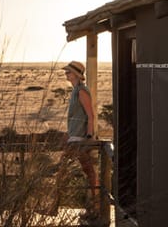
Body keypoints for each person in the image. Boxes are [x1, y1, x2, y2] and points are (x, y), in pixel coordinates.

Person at [60, 61, 99, 219]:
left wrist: (88, 137)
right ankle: (95, 207)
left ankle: (95, 207)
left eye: (68, 72)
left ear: (76, 74)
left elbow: (90, 115)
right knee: (88, 172)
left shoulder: (82, 91)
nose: (66, 75)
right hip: (74, 137)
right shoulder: (75, 90)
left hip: (80, 139)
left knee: (83, 172)